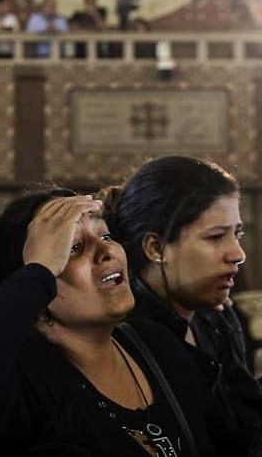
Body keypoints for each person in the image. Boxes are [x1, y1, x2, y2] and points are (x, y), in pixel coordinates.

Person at [0, 190, 217, 456]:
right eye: (73, 248)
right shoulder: (18, 386)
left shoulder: (157, 346)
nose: (106, 252)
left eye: (105, 235)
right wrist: (41, 268)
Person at [105, 155, 262, 455]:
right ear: (156, 248)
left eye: (237, 233)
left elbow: (247, 420)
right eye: (216, 237)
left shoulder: (215, 316)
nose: (237, 253)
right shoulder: (126, 337)